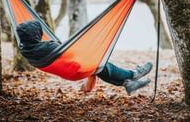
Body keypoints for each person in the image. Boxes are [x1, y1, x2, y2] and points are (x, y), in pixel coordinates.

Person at [16, 20, 152, 95]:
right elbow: (71, 51)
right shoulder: (47, 47)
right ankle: (133, 74)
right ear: (35, 34)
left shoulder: (26, 49)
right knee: (100, 62)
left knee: (98, 67)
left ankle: (128, 84)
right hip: (74, 69)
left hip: (67, 71)